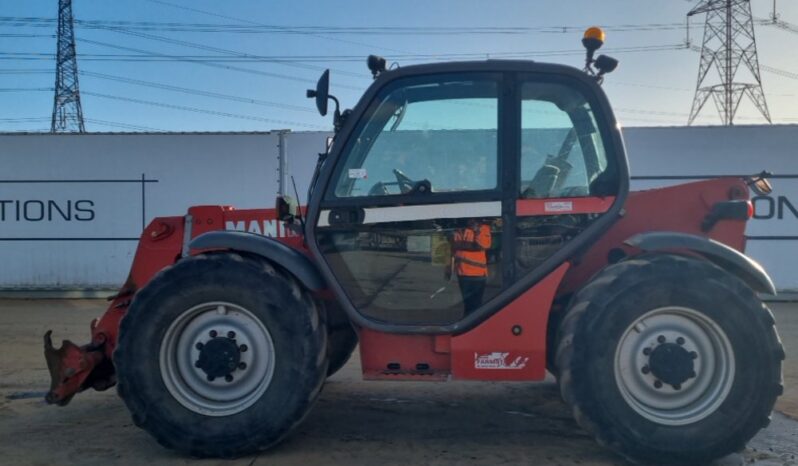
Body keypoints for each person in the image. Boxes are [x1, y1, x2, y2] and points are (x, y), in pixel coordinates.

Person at [447, 219, 492, 315]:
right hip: (462, 273)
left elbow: (484, 245)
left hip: (478, 274)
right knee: (467, 303)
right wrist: (449, 269)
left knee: (476, 304)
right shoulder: (457, 230)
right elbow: (453, 247)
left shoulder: (482, 228)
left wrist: (475, 230)